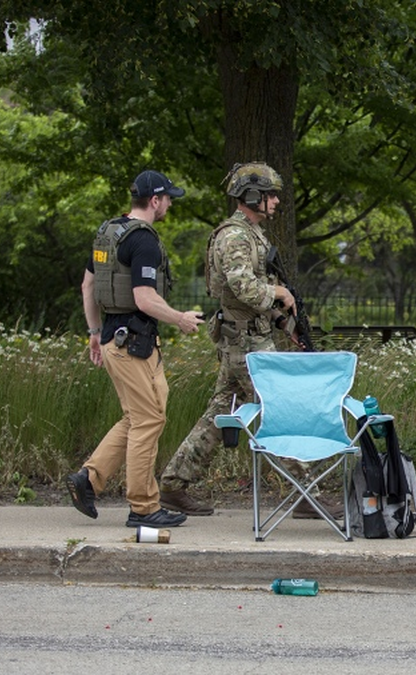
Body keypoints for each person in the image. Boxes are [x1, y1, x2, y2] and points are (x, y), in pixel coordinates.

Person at [157, 161, 315, 517]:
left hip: (246, 337)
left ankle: (173, 485)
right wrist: (279, 293)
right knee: (278, 408)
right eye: (271, 195)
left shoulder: (252, 233)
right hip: (246, 343)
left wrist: (281, 320)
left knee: (221, 413)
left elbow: (247, 295)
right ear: (253, 196)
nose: (277, 201)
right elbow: (243, 287)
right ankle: (307, 494)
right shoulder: (235, 236)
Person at [67, 170, 205, 528]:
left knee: (140, 414)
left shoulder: (109, 232)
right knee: (148, 420)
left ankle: (89, 479)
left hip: (115, 339)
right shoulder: (143, 241)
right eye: (168, 198)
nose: (170, 204)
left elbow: (87, 286)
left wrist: (94, 331)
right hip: (133, 344)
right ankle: (143, 507)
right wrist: (180, 318)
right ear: (155, 200)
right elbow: (144, 299)